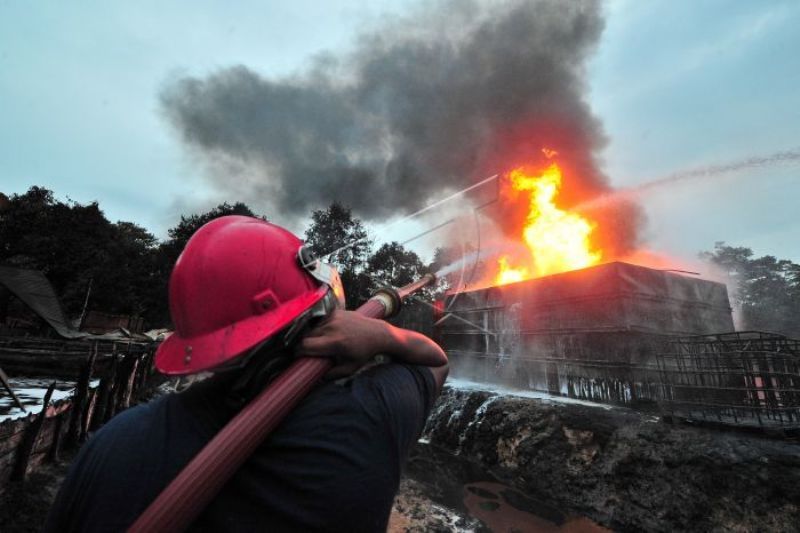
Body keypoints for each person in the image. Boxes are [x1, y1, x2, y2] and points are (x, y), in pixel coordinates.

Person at [45, 216, 448, 532]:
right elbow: (434, 361)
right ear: (318, 317)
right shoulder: (369, 421)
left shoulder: (115, 447)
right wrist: (383, 333)